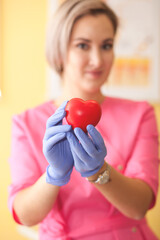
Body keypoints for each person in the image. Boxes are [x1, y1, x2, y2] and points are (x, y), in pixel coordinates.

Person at [8, 0, 159, 239]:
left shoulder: (141, 114)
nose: (98, 60)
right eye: (82, 45)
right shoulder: (26, 123)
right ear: (59, 51)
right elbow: (24, 215)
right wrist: (54, 175)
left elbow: (140, 207)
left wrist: (99, 171)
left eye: (107, 45)